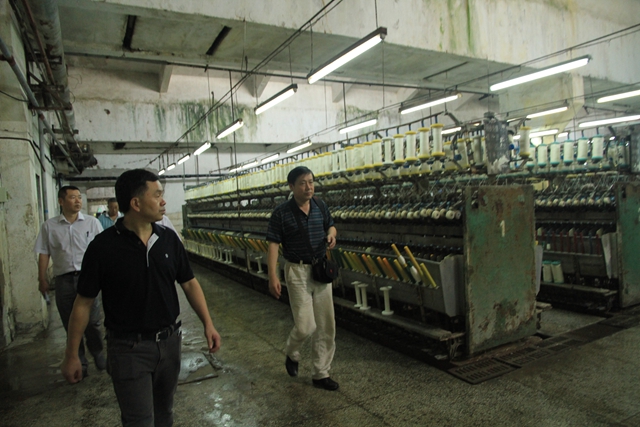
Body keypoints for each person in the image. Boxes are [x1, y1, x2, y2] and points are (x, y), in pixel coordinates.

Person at [61, 169, 221, 426]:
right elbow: (83, 303)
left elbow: (189, 283)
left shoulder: (168, 239)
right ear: (135, 203)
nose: (163, 201)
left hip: (169, 343)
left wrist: (208, 324)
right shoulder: (102, 247)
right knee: (139, 421)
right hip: (128, 349)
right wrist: (71, 354)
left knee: (164, 414)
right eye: (156, 195)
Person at [266, 166, 339, 391]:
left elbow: (331, 226)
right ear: (291, 186)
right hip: (296, 271)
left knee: (326, 325)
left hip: (320, 269)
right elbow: (273, 244)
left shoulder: (320, 205)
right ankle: (292, 351)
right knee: (306, 325)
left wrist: (331, 235)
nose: (308, 187)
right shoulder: (281, 213)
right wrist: (272, 275)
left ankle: (321, 373)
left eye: (311, 182)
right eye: (303, 183)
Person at [34, 185, 105, 376]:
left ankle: (98, 352)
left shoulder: (91, 223)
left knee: (93, 321)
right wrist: (42, 278)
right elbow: (43, 253)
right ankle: (79, 361)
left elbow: (103, 250)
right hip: (63, 281)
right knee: (70, 324)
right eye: (72, 197)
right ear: (61, 201)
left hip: (87, 278)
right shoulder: (49, 226)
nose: (78, 201)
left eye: (79, 197)